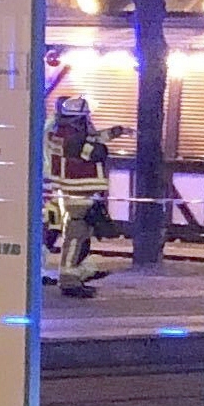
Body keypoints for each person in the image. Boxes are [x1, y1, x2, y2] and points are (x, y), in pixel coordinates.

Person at [44, 95, 119, 299]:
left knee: (81, 236)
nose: (89, 121)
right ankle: (69, 280)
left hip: (75, 191)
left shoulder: (61, 131)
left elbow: (93, 139)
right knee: (76, 237)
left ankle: (77, 274)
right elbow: (93, 151)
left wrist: (113, 133)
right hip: (78, 192)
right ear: (78, 118)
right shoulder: (72, 136)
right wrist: (103, 148)